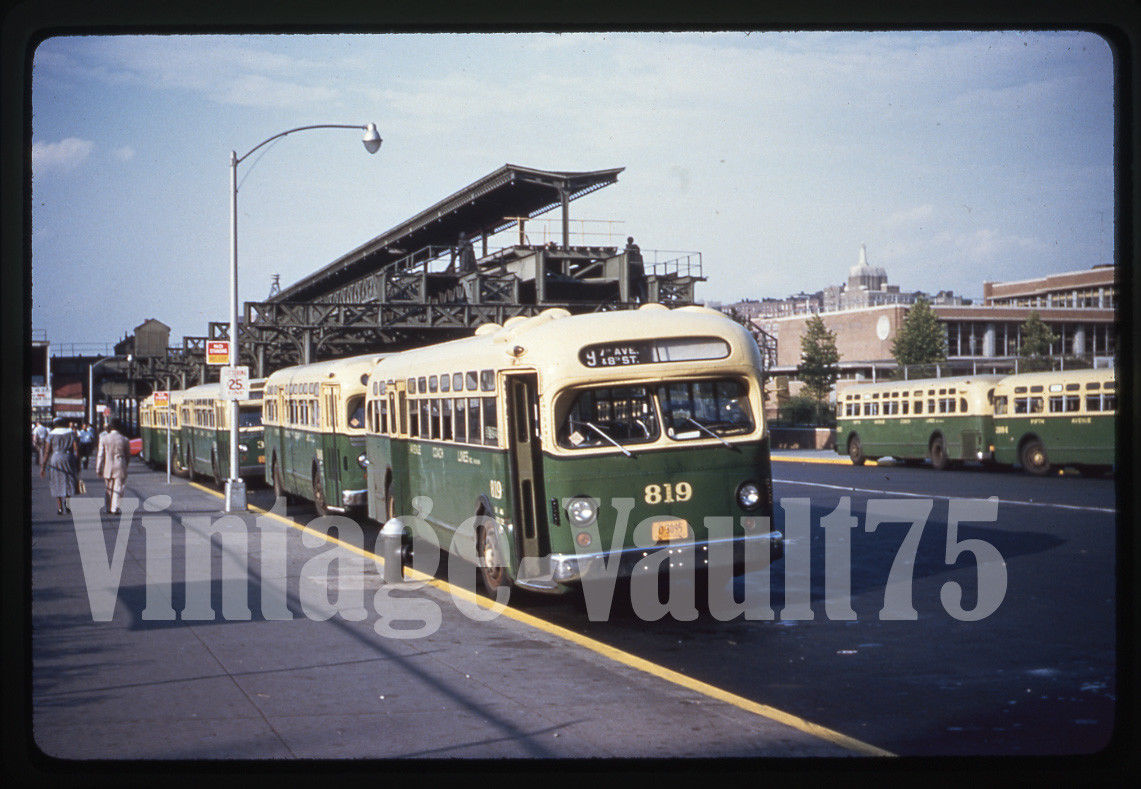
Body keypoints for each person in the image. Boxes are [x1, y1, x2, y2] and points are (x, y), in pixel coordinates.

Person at [40, 417, 79, 515]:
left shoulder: (51, 434)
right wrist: (77, 463)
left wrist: (43, 466)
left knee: (56, 481)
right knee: (69, 480)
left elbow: (47, 451)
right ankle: (68, 504)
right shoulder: (71, 433)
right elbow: (76, 450)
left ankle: (60, 507)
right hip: (68, 457)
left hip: (55, 458)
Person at [96, 419, 131, 515]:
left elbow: (100, 454)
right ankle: (115, 508)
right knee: (118, 487)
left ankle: (108, 507)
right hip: (120, 464)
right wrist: (125, 465)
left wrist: (98, 468)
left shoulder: (104, 438)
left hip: (108, 465)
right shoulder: (124, 439)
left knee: (108, 488)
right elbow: (128, 455)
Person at [625, 236, 646, 303]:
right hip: (636, 274)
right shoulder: (637, 254)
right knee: (639, 292)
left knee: (634, 292)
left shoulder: (628, 251)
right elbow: (641, 265)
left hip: (633, 275)